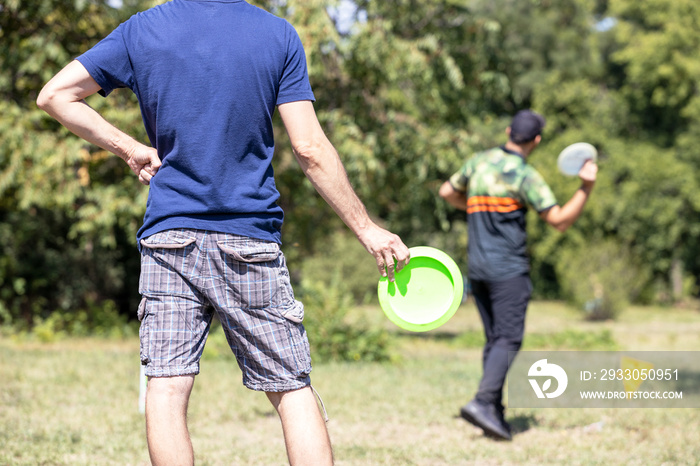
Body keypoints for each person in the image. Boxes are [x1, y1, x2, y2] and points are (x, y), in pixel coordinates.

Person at [37, 1, 410, 464]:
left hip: (169, 238)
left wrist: (129, 148)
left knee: (167, 387)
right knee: (291, 388)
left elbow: (54, 95)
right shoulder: (276, 35)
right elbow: (310, 148)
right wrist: (367, 228)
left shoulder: (144, 29)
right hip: (248, 238)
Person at [438, 110, 597, 441]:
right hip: (509, 271)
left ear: (509, 130)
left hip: (478, 269)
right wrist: (586, 186)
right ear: (536, 140)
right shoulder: (526, 176)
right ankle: (483, 403)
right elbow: (560, 221)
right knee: (508, 339)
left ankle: (493, 415)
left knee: (495, 340)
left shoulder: (478, 162)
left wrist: (474, 207)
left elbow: (446, 192)